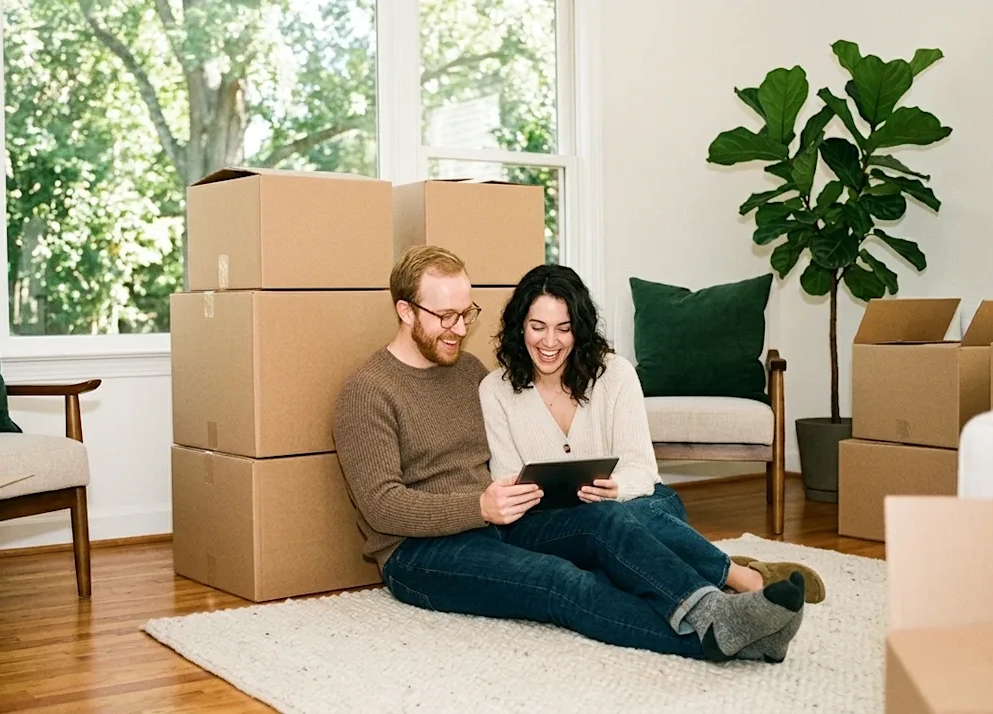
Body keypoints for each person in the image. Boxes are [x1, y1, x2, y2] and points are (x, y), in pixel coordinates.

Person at [332, 246, 807, 663]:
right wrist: (476, 506)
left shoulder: (466, 371)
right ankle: (717, 636)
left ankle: (721, 615)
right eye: (446, 317)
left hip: (495, 527)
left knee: (608, 523)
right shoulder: (367, 392)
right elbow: (382, 507)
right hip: (417, 554)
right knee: (562, 584)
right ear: (406, 311)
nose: (459, 328)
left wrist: (495, 507)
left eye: (466, 313)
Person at [478, 263, 826, 608]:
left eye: (564, 329)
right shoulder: (495, 390)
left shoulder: (615, 374)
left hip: (635, 504)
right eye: (537, 327)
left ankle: (709, 580)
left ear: (579, 330)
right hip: (547, 524)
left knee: (642, 515)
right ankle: (739, 578)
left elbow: (642, 470)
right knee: (612, 523)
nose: (550, 342)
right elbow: (506, 481)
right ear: (519, 328)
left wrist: (616, 489)